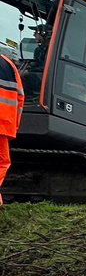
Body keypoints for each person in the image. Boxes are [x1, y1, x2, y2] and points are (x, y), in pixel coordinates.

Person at [0, 54, 25, 205]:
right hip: (3, 124)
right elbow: (20, 98)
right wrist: (13, 126)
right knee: (2, 162)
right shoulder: (8, 64)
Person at [20, 24, 49, 100]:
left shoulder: (51, 51)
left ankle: (26, 97)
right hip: (39, 73)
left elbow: (45, 67)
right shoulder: (38, 50)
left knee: (26, 76)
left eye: (36, 32)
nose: (34, 35)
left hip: (45, 76)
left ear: (43, 34)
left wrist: (29, 71)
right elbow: (37, 63)